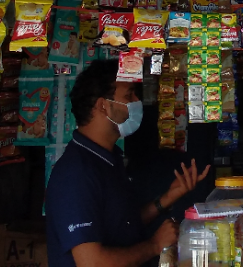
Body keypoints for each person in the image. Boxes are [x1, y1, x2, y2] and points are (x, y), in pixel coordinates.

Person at [46, 59, 211, 267]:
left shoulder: (107, 159)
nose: (136, 101)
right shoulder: (76, 173)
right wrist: (154, 245)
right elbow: (92, 262)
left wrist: (167, 198)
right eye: (128, 95)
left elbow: (121, 225)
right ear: (103, 105)